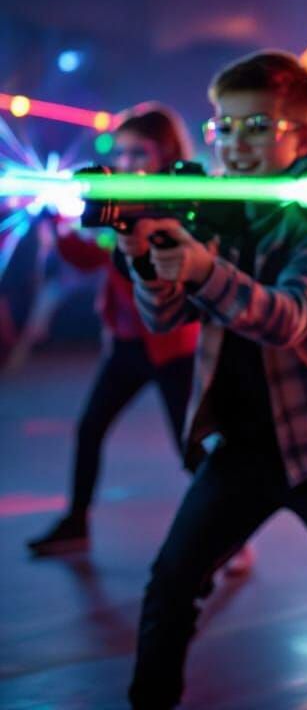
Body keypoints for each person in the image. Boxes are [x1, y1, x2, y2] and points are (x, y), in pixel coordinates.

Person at [121, 51, 307, 709]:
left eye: (258, 126)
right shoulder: (215, 208)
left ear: (304, 136)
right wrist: (148, 261)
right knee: (170, 585)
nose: (236, 144)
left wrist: (200, 267)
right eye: (225, 127)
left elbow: (290, 318)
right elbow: (164, 317)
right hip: (240, 448)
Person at [27, 104, 198, 557]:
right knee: (90, 429)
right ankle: (76, 523)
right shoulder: (118, 206)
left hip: (173, 348)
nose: (126, 163)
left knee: (190, 448)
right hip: (127, 345)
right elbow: (92, 260)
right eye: (121, 153)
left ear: (165, 155)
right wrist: (58, 229)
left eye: (138, 153)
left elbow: (145, 277)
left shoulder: (178, 208)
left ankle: (226, 538)